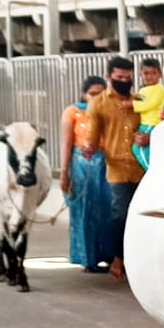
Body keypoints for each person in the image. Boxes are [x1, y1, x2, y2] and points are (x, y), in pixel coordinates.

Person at [85, 55, 144, 281]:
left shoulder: (140, 100)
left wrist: (147, 138)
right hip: (117, 169)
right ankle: (119, 257)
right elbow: (92, 135)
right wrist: (89, 146)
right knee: (120, 215)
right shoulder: (98, 104)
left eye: (128, 77)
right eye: (119, 77)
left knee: (140, 215)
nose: (124, 81)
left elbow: (153, 125)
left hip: (141, 167)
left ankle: (138, 258)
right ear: (109, 77)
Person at [60, 76, 114, 272]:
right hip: (81, 164)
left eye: (100, 94)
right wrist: (65, 173)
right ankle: (87, 258)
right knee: (85, 210)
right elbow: (66, 143)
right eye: (92, 94)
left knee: (107, 209)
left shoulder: (109, 109)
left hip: (106, 163)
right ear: (84, 94)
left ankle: (109, 254)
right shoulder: (73, 111)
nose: (95, 98)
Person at [130, 58, 164, 170]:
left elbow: (149, 104)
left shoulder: (159, 89)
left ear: (160, 74)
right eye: (146, 73)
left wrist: (130, 105)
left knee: (139, 148)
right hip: (144, 123)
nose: (149, 76)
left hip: (151, 123)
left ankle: (152, 171)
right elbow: (137, 101)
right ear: (140, 74)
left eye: (153, 73)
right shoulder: (142, 90)